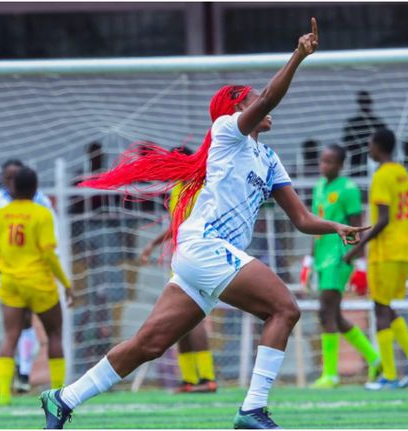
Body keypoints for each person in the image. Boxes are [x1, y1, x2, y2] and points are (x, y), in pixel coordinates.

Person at [40, 19, 363, 430]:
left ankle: (62, 399)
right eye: (250, 100)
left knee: (149, 344)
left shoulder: (269, 159)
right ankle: (252, 411)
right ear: (238, 110)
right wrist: (298, 56)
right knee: (284, 309)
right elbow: (266, 100)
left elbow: (301, 220)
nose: (259, 104)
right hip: (206, 246)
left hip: (208, 256)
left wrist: (334, 226)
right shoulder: (227, 132)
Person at [343, 128, 408, 390]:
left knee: (380, 308)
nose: (368, 149)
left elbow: (383, 220)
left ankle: (389, 375)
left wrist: (356, 249)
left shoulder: (381, 175)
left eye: (369, 144)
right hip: (404, 249)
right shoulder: (402, 173)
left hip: (386, 251)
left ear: (378, 147)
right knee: (387, 307)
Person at [0, 167, 73, 406]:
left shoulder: (1, 214)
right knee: (54, 334)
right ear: (35, 189)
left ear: (12, 188)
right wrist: (66, 284)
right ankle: (58, 396)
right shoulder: (41, 213)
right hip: (39, 282)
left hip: (11, 282)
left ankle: (4, 397)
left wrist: (1, 269)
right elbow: (49, 255)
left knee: (10, 335)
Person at [300, 144, 381, 388]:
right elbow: (316, 225)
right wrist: (309, 259)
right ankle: (374, 359)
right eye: (323, 161)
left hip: (340, 256)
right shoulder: (318, 187)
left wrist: (358, 261)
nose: (325, 166)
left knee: (325, 311)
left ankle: (331, 374)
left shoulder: (349, 189)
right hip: (323, 256)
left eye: (330, 162)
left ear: (341, 164)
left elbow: (357, 227)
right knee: (334, 314)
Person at [139, 145, 218, 394]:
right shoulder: (177, 189)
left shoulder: (200, 188)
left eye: (175, 161)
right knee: (179, 320)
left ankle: (206, 378)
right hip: (181, 260)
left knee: (193, 320)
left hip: (198, 259)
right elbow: (178, 224)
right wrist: (153, 243)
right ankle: (189, 379)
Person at [0, 159, 57, 393]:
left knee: (26, 325)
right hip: (7, 273)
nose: (12, 181)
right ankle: (20, 375)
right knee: (19, 326)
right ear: (2, 178)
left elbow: (54, 239)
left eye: (15, 177)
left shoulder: (41, 201)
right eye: (8, 177)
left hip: (35, 272)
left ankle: (21, 374)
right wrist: (0, 265)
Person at [342, 90, 386, 176]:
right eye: (362, 102)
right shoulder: (352, 124)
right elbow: (348, 144)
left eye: (365, 101)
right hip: (357, 164)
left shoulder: (378, 123)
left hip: (375, 164)